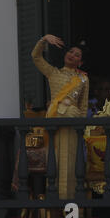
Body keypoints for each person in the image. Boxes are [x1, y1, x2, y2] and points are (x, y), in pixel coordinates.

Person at [31, 34, 89, 199]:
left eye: (77, 55)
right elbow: (35, 57)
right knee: (54, 163)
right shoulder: (53, 73)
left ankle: (70, 203)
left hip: (72, 125)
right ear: (65, 54)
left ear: (81, 62)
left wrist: (82, 130)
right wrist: (43, 40)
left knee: (71, 165)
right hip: (55, 124)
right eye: (70, 52)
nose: (72, 55)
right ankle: (55, 204)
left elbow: (83, 107)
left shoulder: (83, 79)